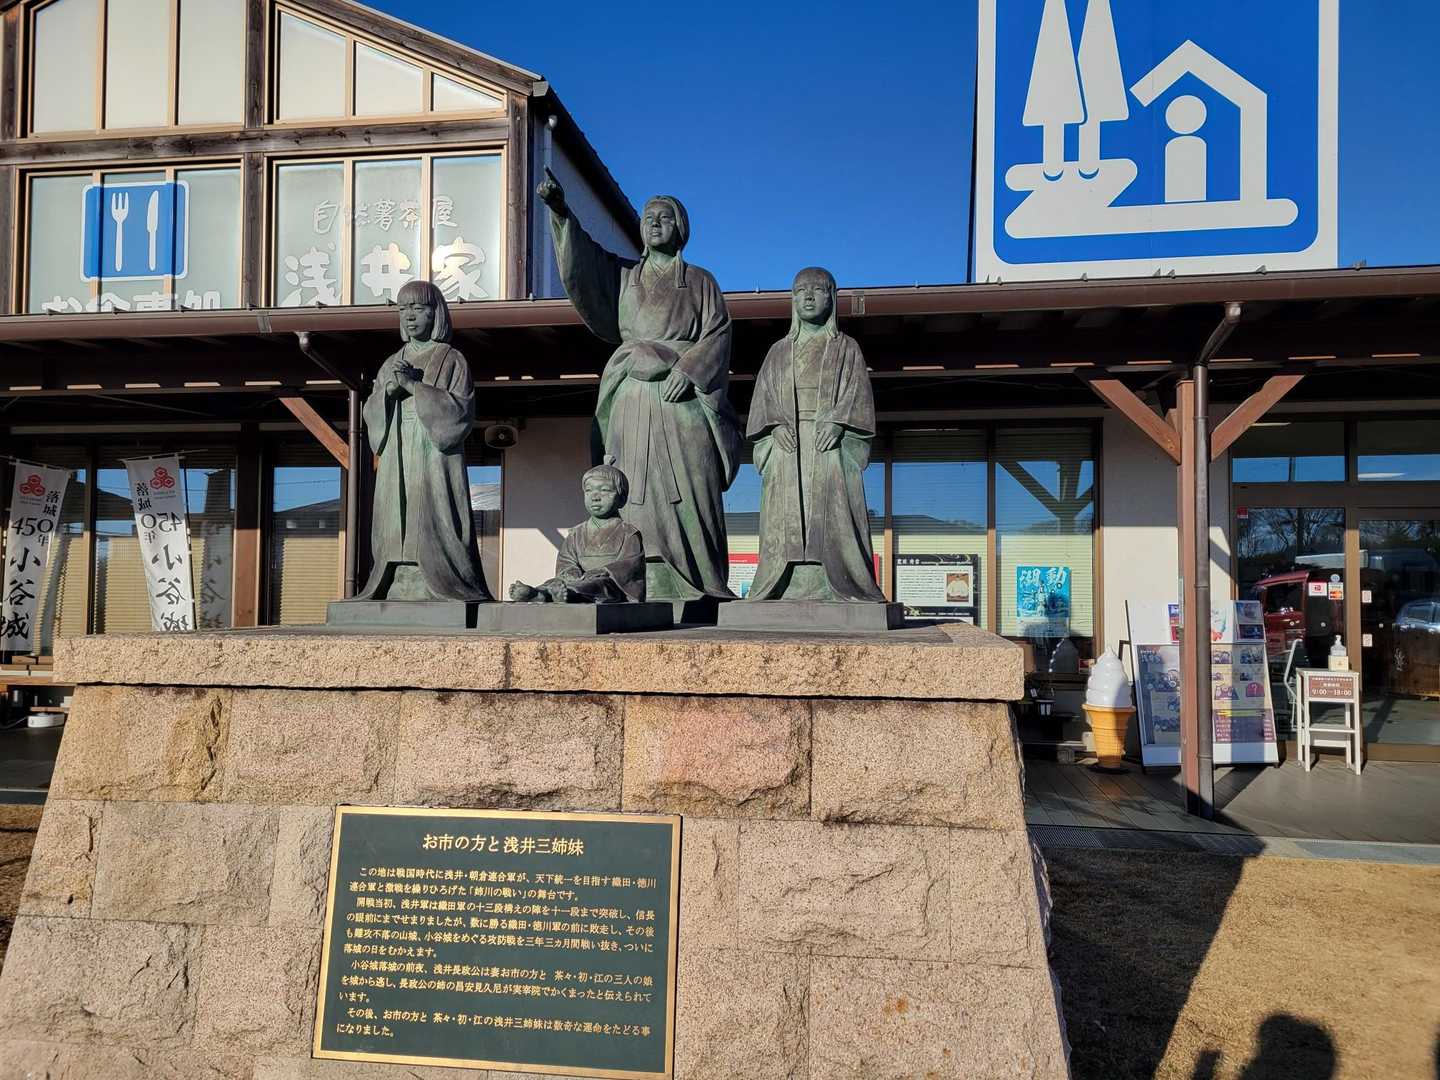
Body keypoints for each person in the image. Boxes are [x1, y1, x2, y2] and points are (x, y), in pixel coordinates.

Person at [537, 170, 740, 603]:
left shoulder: (701, 281)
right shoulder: (625, 276)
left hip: (681, 395)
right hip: (630, 393)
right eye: (648, 218)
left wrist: (688, 371)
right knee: (631, 483)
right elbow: (586, 262)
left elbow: (718, 334)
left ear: (680, 229)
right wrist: (561, 212)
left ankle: (699, 579)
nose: (655, 223)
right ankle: (631, 581)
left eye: (664, 217)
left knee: (692, 485)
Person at [745, 266, 885, 602]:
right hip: (787, 445)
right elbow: (764, 398)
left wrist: (838, 423)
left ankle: (840, 580)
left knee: (835, 511)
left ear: (831, 298)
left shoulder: (846, 348)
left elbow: (858, 395)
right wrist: (775, 426)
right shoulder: (779, 351)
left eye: (817, 290)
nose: (808, 296)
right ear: (793, 300)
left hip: (830, 444)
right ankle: (784, 581)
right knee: (783, 515)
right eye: (801, 291)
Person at [354, 279, 492, 602]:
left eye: (418, 308)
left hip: (432, 452)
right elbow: (371, 412)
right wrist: (388, 393)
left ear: (436, 313)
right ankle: (395, 573)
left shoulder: (452, 359)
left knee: (433, 510)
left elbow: (460, 411)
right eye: (403, 309)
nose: (410, 316)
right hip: (397, 449)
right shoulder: (391, 361)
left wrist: (414, 387)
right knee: (394, 511)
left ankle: (440, 578)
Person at [508, 463, 645, 604]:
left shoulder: (628, 533)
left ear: (622, 499)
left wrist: (604, 571)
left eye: (604, 490)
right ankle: (540, 593)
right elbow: (566, 561)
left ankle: (568, 594)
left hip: (609, 584)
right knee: (555, 581)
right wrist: (571, 572)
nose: (595, 497)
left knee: (597, 585)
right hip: (577, 579)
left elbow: (630, 566)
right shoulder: (576, 533)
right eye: (589, 490)